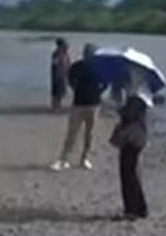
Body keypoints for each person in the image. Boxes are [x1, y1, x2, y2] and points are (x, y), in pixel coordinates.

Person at [51, 43, 107, 171]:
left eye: (91, 53)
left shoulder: (100, 68)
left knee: (90, 133)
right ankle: (63, 159)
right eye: (87, 53)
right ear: (84, 54)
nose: (89, 55)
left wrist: (98, 92)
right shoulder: (76, 66)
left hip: (94, 104)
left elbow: (105, 83)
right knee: (72, 132)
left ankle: (85, 158)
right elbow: (70, 79)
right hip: (78, 104)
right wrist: (76, 89)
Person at [109, 89, 150, 221]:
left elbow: (129, 116)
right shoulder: (142, 97)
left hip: (131, 141)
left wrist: (122, 110)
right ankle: (140, 208)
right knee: (133, 174)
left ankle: (132, 209)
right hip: (137, 139)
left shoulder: (135, 99)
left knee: (128, 175)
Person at [50, 38, 71, 112]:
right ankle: (55, 106)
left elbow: (69, 64)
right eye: (65, 44)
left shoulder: (66, 53)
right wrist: (55, 76)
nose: (67, 46)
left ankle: (58, 105)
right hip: (58, 75)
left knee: (62, 92)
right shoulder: (56, 54)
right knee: (57, 92)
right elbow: (54, 65)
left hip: (64, 75)